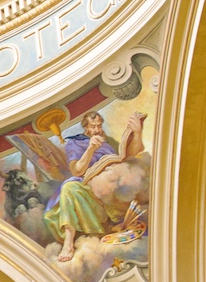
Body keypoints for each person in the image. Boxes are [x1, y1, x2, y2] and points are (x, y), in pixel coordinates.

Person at [44, 110, 145, 262]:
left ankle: (124, 222)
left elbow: (129, 154)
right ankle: (68, 243)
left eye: (99, 126)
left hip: (112, 185)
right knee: (69, 188)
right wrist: (90, 149)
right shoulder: (75, 143)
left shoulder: (107, 140)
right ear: (86, 128)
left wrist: (137, 133)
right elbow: (76, 170)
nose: (97, 130)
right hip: (88, 188)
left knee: (136, 173)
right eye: (93, 127)